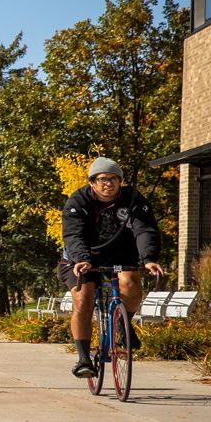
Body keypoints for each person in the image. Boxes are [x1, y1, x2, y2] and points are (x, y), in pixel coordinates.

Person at [60, 157, 163, 379]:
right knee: (84, 297)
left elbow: (144, 229)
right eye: (103, 179)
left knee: (132, 283)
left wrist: (148, 259)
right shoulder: (77, 201)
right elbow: (73, 234)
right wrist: (81, 259)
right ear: (92, 183)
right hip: (81, 257)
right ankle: (84, 359)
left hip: (119, 253)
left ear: (120, 181)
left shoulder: (133, 199)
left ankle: (121, 323)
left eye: (114, 179)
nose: (109, 183)